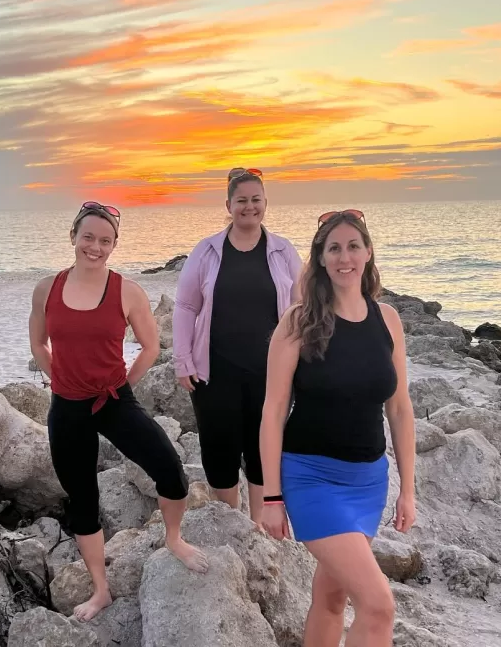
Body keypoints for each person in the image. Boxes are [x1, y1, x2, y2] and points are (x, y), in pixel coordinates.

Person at [29, 201, 208, 622]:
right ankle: (100, 590)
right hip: (66, 408)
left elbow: (150, 346)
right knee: (83, 500)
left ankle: (174, 539)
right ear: (73, 235)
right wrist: (59, 380)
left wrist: (124, 385)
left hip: (113, 401)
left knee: (169, 468)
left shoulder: (127, 290)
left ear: (114, 245)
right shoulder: (46, 288)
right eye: (88, 236)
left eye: (104, 240)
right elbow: (38, 342)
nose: (95, 246)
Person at [259, 209, 416, 647]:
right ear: (321, 258)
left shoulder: (387, 319)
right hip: (312, 478)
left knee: (330, 597)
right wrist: (272, 496)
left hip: (368, 481)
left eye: (352, 246)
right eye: (334, 248)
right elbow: (272, 412)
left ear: (367, 253)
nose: (344, 257)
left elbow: (400, 409)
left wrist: (408, 488)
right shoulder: (298, 323)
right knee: (379, 604)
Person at [173, 167, 302, 526]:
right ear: (229, 204)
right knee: (219, 453)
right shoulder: (207, 250)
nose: (249, 207)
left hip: (270, 375)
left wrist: (303, 363)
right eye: (241, 200)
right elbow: (186, 307)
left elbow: (299, 308)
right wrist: (182, 360)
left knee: (264, 452)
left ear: (265, 203)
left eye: (255, 200)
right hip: (214, 372)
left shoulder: (283, 251)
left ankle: (260, 527)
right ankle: (231, 522)